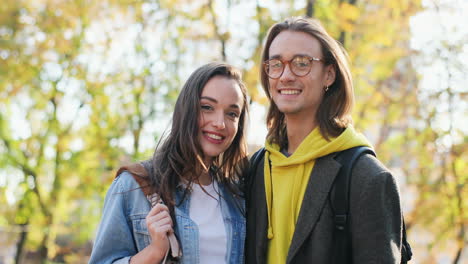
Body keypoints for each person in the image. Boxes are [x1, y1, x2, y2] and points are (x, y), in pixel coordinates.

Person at [245, 17, 406, 263]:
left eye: (302, 63)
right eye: (276, 64)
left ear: (329, 75)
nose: (286, 75)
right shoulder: (254, 169)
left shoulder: (368, 178)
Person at [89, 62, 249, 264]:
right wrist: (155, 252)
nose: (220, 123)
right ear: (186, 111)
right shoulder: (134, 186)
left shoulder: (237, 195)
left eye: (232, 113)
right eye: (207, 107)